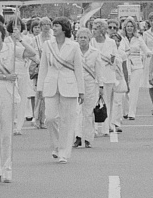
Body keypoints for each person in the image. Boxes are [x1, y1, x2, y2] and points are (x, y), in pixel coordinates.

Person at [0, 19, 37, 183]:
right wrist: (5, 76)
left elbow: (32, 53)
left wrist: (20, 38)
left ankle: (7, 170)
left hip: (8, 94)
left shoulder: (11, 48)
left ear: (2, 34)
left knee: (6, 134)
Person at [36, 17, 82, 163]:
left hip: (69, 85)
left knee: (67, 121)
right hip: (50, 84)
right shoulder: (47, 45)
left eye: (56, 26)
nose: (53, 28)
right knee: (50, 118)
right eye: (53, 26)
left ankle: (64, 152)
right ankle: (56, 146)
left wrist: (81, 90)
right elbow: (43, 67)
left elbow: (78, 69)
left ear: (64, 28)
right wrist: (39, 87)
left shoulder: (73, 46)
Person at [91, 19, 121, 136]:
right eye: (93, 28)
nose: (94, 31)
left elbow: (116, 57)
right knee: (93, 101)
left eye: (96, 28)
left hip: (108, 74)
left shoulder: (111, 42)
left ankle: (106, 127)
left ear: (102, 30)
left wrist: (112, 59)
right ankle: (93, 128)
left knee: (107, 101)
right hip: (94, 75)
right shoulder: (91, 42)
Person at [74, 27, 100, 148]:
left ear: (89, 39)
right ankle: (77, 137)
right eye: (80, 37)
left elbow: (99, 70)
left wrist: (101, 86)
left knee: (88, 112)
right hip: (76, 84)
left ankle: (88, 138)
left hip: (90, 84)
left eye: (85, 37)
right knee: (77, 111)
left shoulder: (95, 52)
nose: (82, 40)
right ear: (77, 39)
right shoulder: (73, 51)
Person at [119, 18, 147, 121]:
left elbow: (146, 50)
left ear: (134, 27)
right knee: (125, 88)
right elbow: (120, 50)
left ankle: (132, 113)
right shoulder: (121, 38)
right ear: (124, 27)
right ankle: (125, 111)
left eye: (131, 26)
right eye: (127, 26)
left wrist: (149, 55)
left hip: (137, 66)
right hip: (125, 64)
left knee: (134, 89)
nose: (129, 28)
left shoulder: (139, 38)